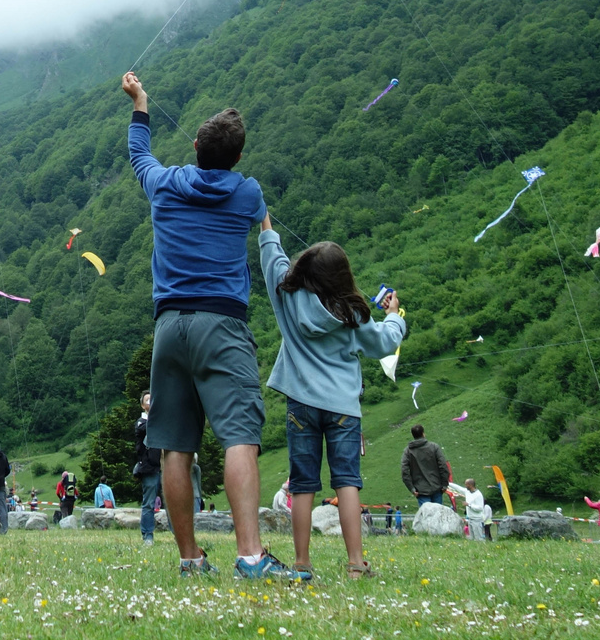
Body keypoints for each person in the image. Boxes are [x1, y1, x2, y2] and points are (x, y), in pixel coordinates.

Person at [123, 71, 305, 581]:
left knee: (175, 445)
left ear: (196, 145)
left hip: (168, 328)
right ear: (239, 159)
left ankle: (190, 558)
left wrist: (140, 103)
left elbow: (140, 154)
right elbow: (262, 217)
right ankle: (250, 557)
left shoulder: (162, 185)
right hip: (221, 325)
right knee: (240, 437)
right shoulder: (247, 194)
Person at [259, 217, 406, 578]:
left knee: (303, 483)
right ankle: (356, 564)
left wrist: (265, 222)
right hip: (342, 408)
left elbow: (271, 257)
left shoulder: (286, 296)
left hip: (300, 404)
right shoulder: (353, 312)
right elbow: (385, 344)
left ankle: (301, 563)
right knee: (347, 481)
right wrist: (394, 316)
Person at [135, 390, 162, 545]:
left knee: (173, 502)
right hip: (149, 467)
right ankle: (147, 535)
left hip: (164, 466)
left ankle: (177, 533)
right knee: (149, 503)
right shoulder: (141, 423)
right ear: (142, 405)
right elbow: (147, 429)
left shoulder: (159, 421)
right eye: (147, 400)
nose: (150, 403)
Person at [400, 425, 449, 507]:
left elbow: (404, 471)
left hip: (421, 490)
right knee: (437, 516)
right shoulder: (434, 447)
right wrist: (444, 484)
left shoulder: (408, 451)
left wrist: (412, 488)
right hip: (436, 487)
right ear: (423, 434)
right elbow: (443, 466)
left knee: (426, 517)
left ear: (413, 435)